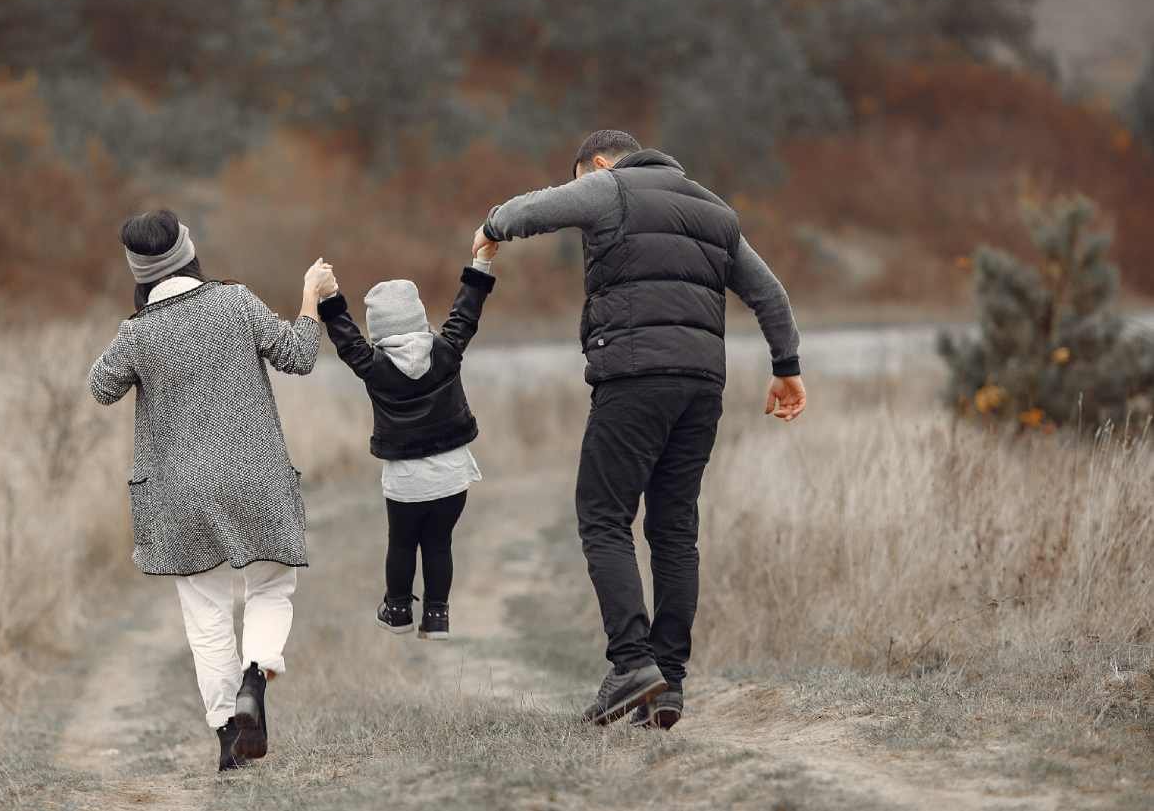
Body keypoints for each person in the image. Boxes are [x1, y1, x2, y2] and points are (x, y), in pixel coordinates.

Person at [473, 130, 808, 730]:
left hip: (633, 377)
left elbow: (531, 210)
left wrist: (492, 226)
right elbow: (771, 296)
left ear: (599, 165)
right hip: (702, 387)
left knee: (603, 515)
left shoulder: (608, 189)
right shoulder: (714, 211)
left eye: (584, 179)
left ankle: (631, 664)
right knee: (674, 529)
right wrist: (786, 368)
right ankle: (669, 682)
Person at [87, 209, 337, 771]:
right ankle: (257, 675)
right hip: (255, 479)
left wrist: (140, 341)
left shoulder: (136, 333)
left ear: (140, 269)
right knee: (271, 587)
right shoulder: (235, 302)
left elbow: (100, 387)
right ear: (187, 252)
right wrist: (308, 298)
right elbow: (298, 356)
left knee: (206, 617)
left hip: (178, 498)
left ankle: (230, 737)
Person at [316, 248, 499, 641]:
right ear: (418, 318)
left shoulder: (373, 366)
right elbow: (466, 314)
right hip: (452, 474)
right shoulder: (447, 351)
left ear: (378, 330)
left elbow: (346, 339)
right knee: (439, 543)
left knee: (402, 544)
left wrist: (329, 296)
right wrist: (481, 264)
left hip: (405, 480)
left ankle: (398, 609)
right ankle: (437, 616)